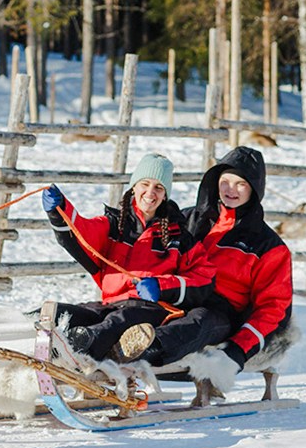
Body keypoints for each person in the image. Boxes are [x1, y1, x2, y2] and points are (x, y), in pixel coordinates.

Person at [41, 152, 214, 363]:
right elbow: (83, 232)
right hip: (111, 304)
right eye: (145, 184)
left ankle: (73, 354)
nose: (150, 193)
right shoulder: (115, 225)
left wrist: (162, 286)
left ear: (165, 195)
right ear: (134, 187)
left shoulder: (178, 236)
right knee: (69, 314)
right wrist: (59, 210)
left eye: (158, 188)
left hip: (150, 310)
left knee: (117, 322)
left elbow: (204, 278)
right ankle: (22, 337)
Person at [171, 145, 293, 383]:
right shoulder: (189, 220)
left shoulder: (268, 245)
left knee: (197, 321)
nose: (231, 190)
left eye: (241, 184)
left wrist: (237, 351)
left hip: (220, 320)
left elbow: (273, 308)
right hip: (172, 303)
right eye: (225, 181)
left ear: (254, 190)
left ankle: (136, 355)